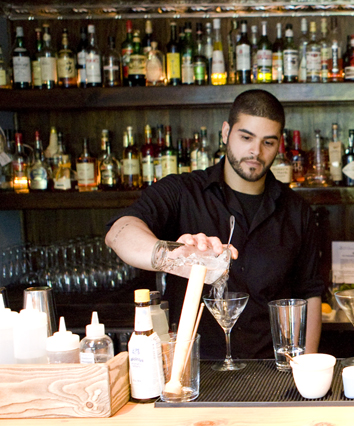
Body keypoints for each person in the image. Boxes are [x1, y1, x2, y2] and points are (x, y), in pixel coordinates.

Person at [106, 89, 324, 360]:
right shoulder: (183, 192)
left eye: (268, 142)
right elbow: (118, 233)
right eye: (246, 137)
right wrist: (174, 256)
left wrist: (308, 366)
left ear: (279, 144)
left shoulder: (296, 210)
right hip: (197, 370)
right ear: (225, 132)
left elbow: (311, 295)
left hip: (273, 370)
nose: (255, 151)